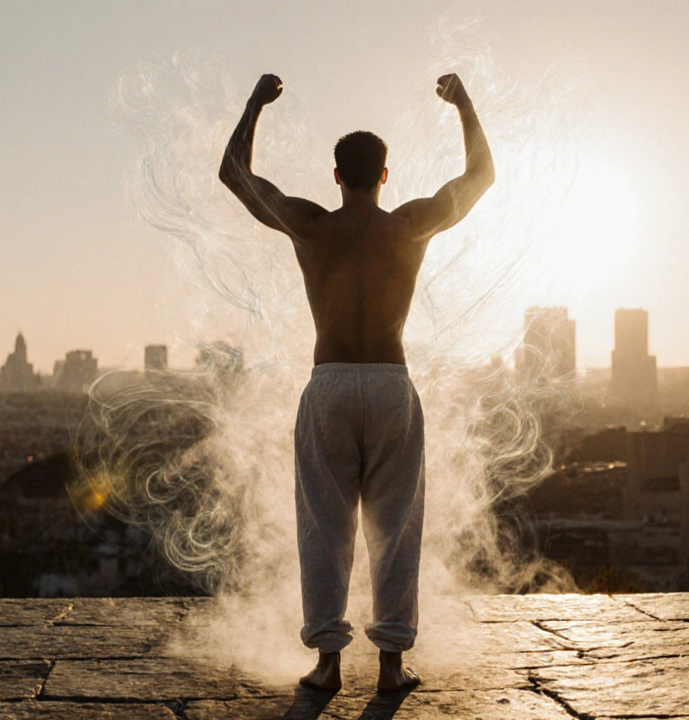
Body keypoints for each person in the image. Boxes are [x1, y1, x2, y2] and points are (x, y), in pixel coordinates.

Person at [219, 72, 494, 693]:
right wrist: (463, 103)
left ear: (336, 176)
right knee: (394, 527)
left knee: (325, 525)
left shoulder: (311, 226)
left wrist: (255, 103)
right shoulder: (410, 226)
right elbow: (481, 176)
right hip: (392, 383)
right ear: (385, 176)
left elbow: (233, 172)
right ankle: (392, 666)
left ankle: (327, 664)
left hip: (331, 381)